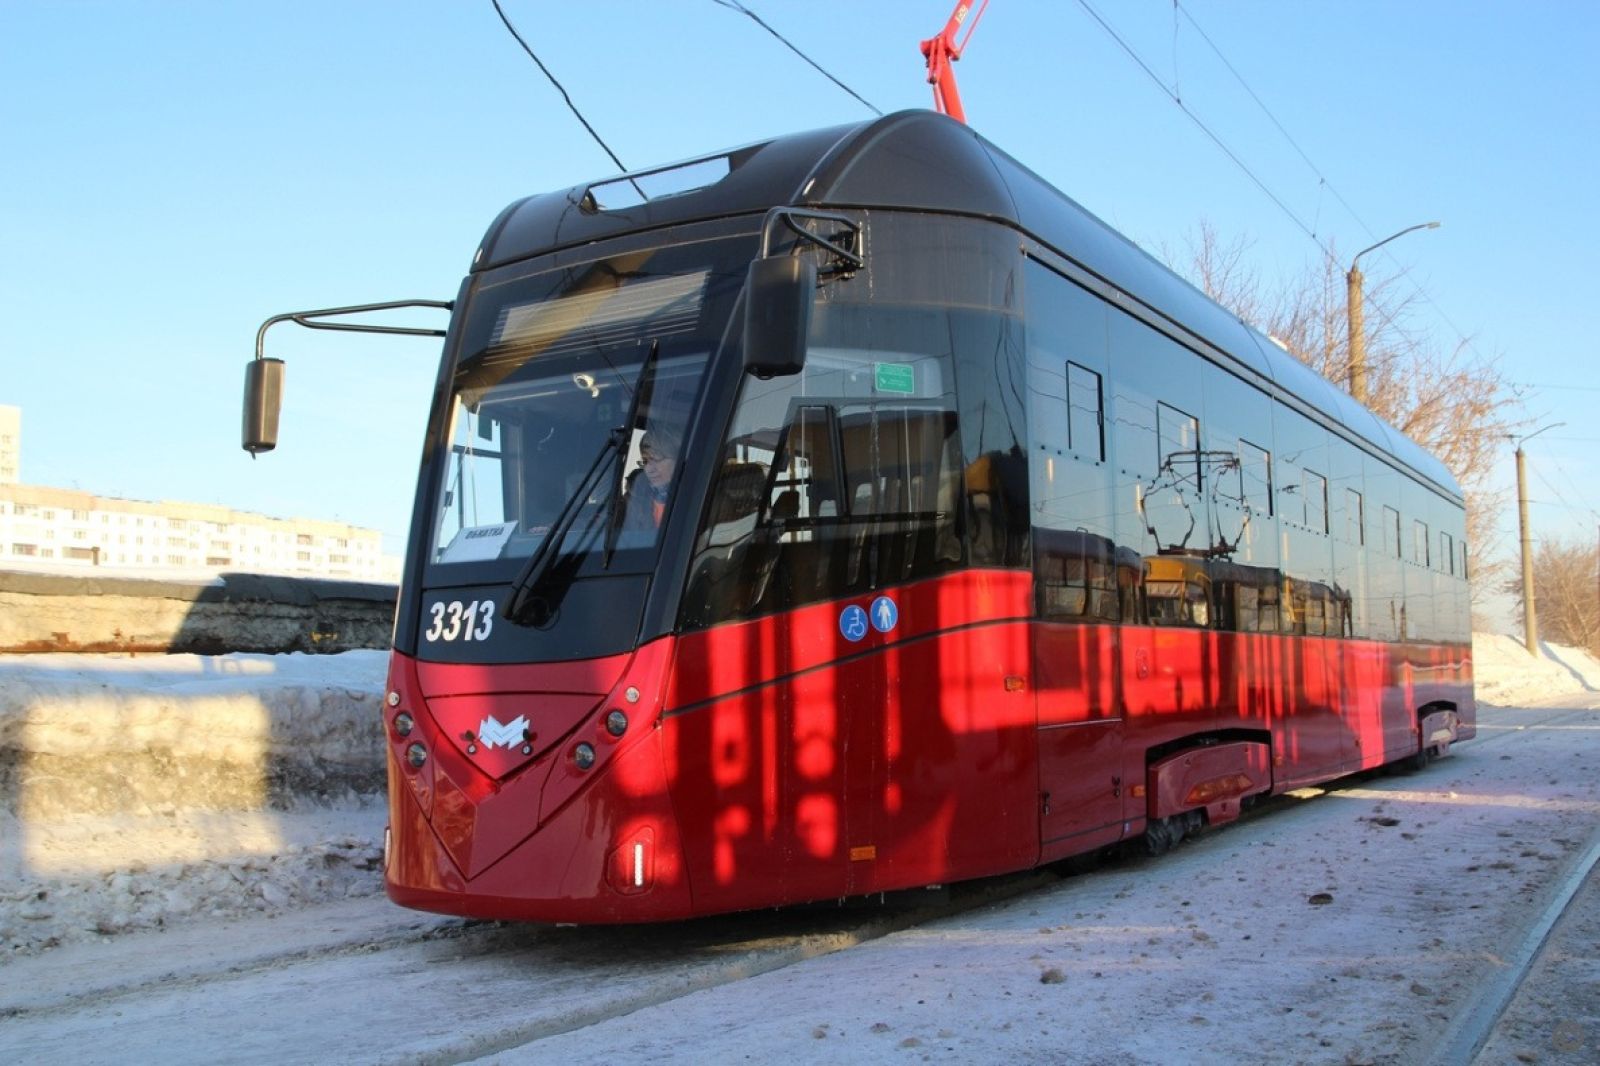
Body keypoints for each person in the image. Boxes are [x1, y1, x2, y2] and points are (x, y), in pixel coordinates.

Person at [622, 427, 680, 532]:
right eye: (645, 461)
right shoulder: (637, 497)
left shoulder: (700, 495)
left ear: (679, 459)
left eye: (657, 459)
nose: (648, 469)